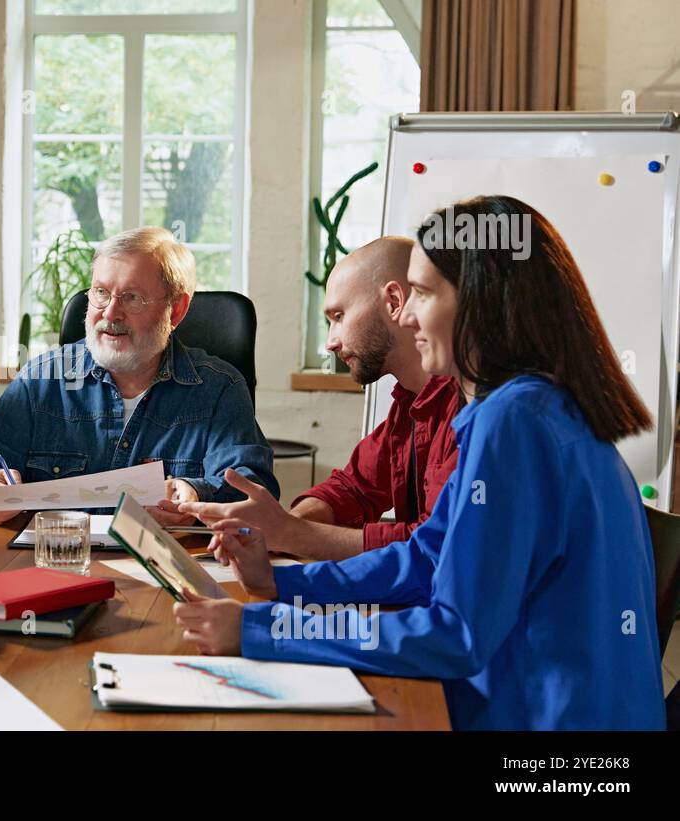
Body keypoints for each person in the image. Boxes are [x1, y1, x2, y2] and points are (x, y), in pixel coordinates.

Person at [172, 195, 665, 730]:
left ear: (479, 301)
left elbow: (456, 635)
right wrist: (284, 586)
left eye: (423, 293)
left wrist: (259, 629)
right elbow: (431, 556)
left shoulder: (512, 421)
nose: (405, 313)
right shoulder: (534, 404)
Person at [0, 226, 278, 523]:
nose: (110, 312)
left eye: (132, 298)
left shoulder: (219, 389)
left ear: (175, 310)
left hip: (164, 568)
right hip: (54, 565)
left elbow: (255, 494)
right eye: (101, 293)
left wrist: (196, 494)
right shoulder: (41, 380)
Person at [177, 237, 461, 560]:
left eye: (338, 316)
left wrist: (292, 534)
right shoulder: (408, 404)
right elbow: (352, 489)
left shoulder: (470, 408)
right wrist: (280, 527)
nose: (330, 343)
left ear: (394, 303)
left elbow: (435, 549)